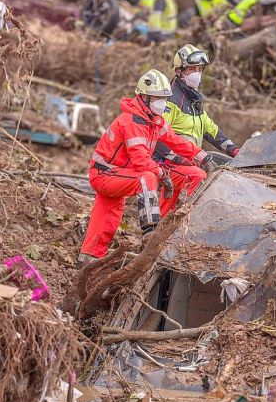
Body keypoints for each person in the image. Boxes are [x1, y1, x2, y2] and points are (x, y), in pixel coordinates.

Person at [78, 70, 210, 265]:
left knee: (107, 221)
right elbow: (140, 160)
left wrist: (203, 156)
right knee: (146, 178)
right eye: (158, 98)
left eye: (165, 98)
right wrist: (162, 174)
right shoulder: (131, 122)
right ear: (145, 97)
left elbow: (176, 141)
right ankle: (151, 234)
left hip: (119, 174)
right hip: (105, 174)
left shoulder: (154, 121)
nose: (163, 103)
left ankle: (88, 261)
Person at [159, 44, 239, 159]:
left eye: (200, 69)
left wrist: (233, 150)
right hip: (176, 163)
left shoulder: (194, 99)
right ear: (178, 71)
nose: (197, 74)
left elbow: (210, 129)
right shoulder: (171, 99)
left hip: (195, 158)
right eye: (192, 69)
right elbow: (158, 135)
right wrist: (178, 160)